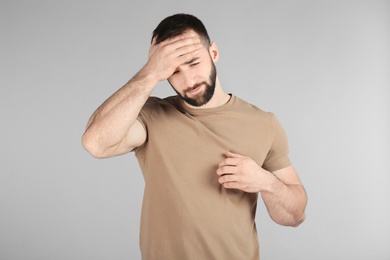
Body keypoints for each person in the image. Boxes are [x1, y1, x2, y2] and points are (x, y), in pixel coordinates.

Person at [82, 13, 307, 260]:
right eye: (173, 71)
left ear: (214, 53)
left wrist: (264, 181)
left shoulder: (264, 124)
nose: (188, 80)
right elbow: (95, 143)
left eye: (193, 62)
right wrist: (149, 73)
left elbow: (294, 216)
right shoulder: (151, 116)